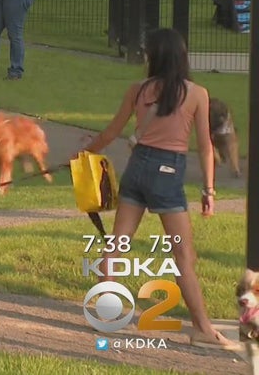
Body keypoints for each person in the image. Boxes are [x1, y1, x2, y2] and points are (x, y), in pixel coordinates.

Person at [78, 28, 236, 351]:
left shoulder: (138, 90)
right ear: (181, 56)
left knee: (117, 243)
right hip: (167, 174)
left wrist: (82, 154)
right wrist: (209, 190)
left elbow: (111, 132)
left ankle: (103, 312)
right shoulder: (197, 94)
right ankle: (203, 328)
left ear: (154, 57)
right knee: (182, 256)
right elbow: (206, 147)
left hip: (137, 169)